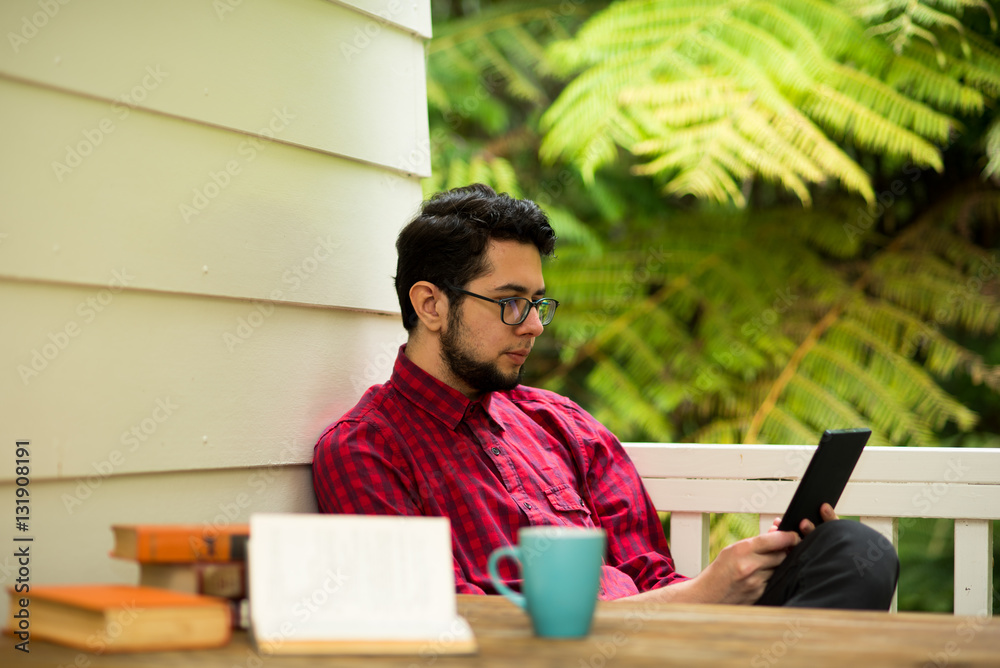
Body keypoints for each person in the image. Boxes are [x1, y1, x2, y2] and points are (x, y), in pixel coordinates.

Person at [312, 184, 898, 609]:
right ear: (431, 304)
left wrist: (740, 575)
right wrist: (696, 603)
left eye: (538, 303)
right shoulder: (366, 450)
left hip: (666, 639)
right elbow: (446, 621)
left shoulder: (557, 421)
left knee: (849, 548)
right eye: (511, 301)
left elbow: (650, 574)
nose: (535, 326)